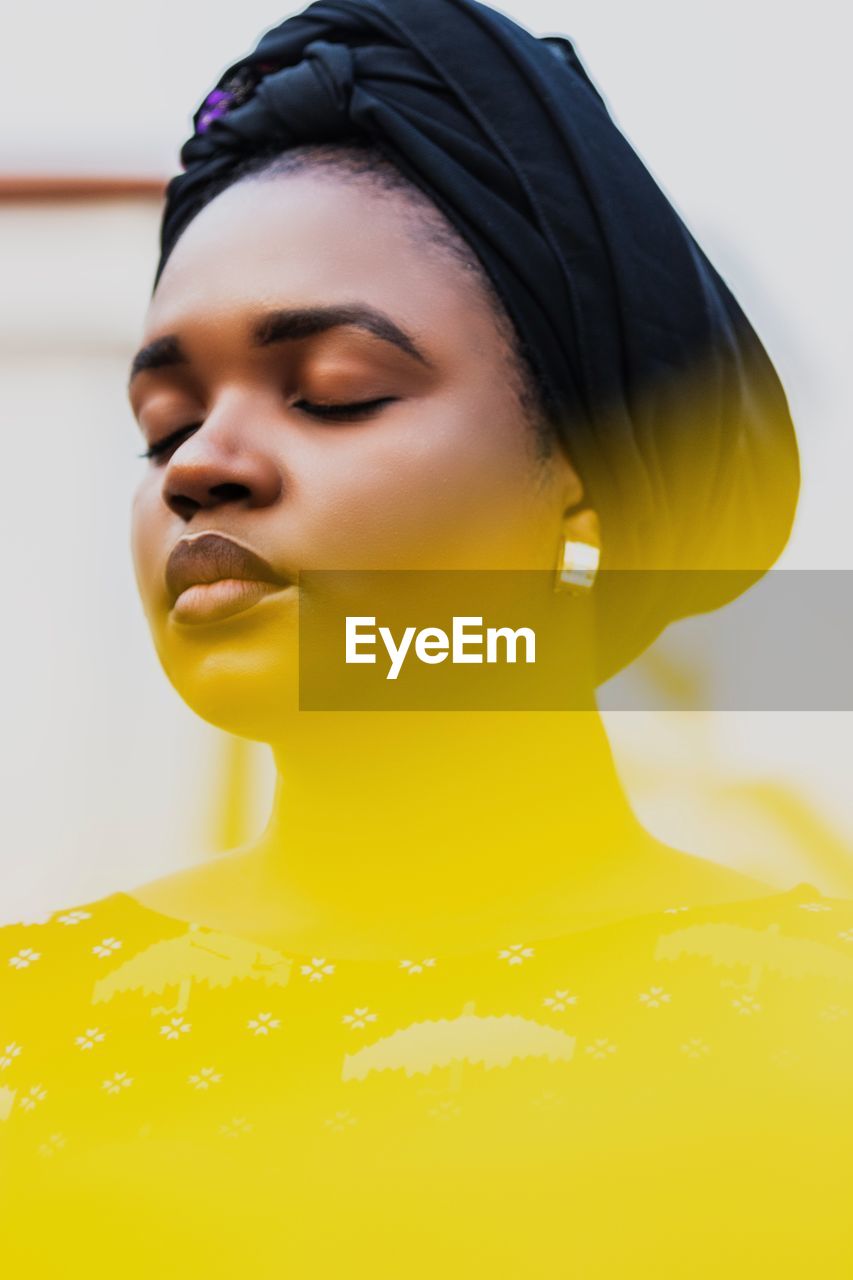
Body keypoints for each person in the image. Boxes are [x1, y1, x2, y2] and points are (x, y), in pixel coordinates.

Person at [3, 1, 850, 1275]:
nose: (201, 467)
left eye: (334, 394)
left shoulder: (818, 1024)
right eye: (164, 421)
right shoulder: (31, 1033)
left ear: (584, 470)